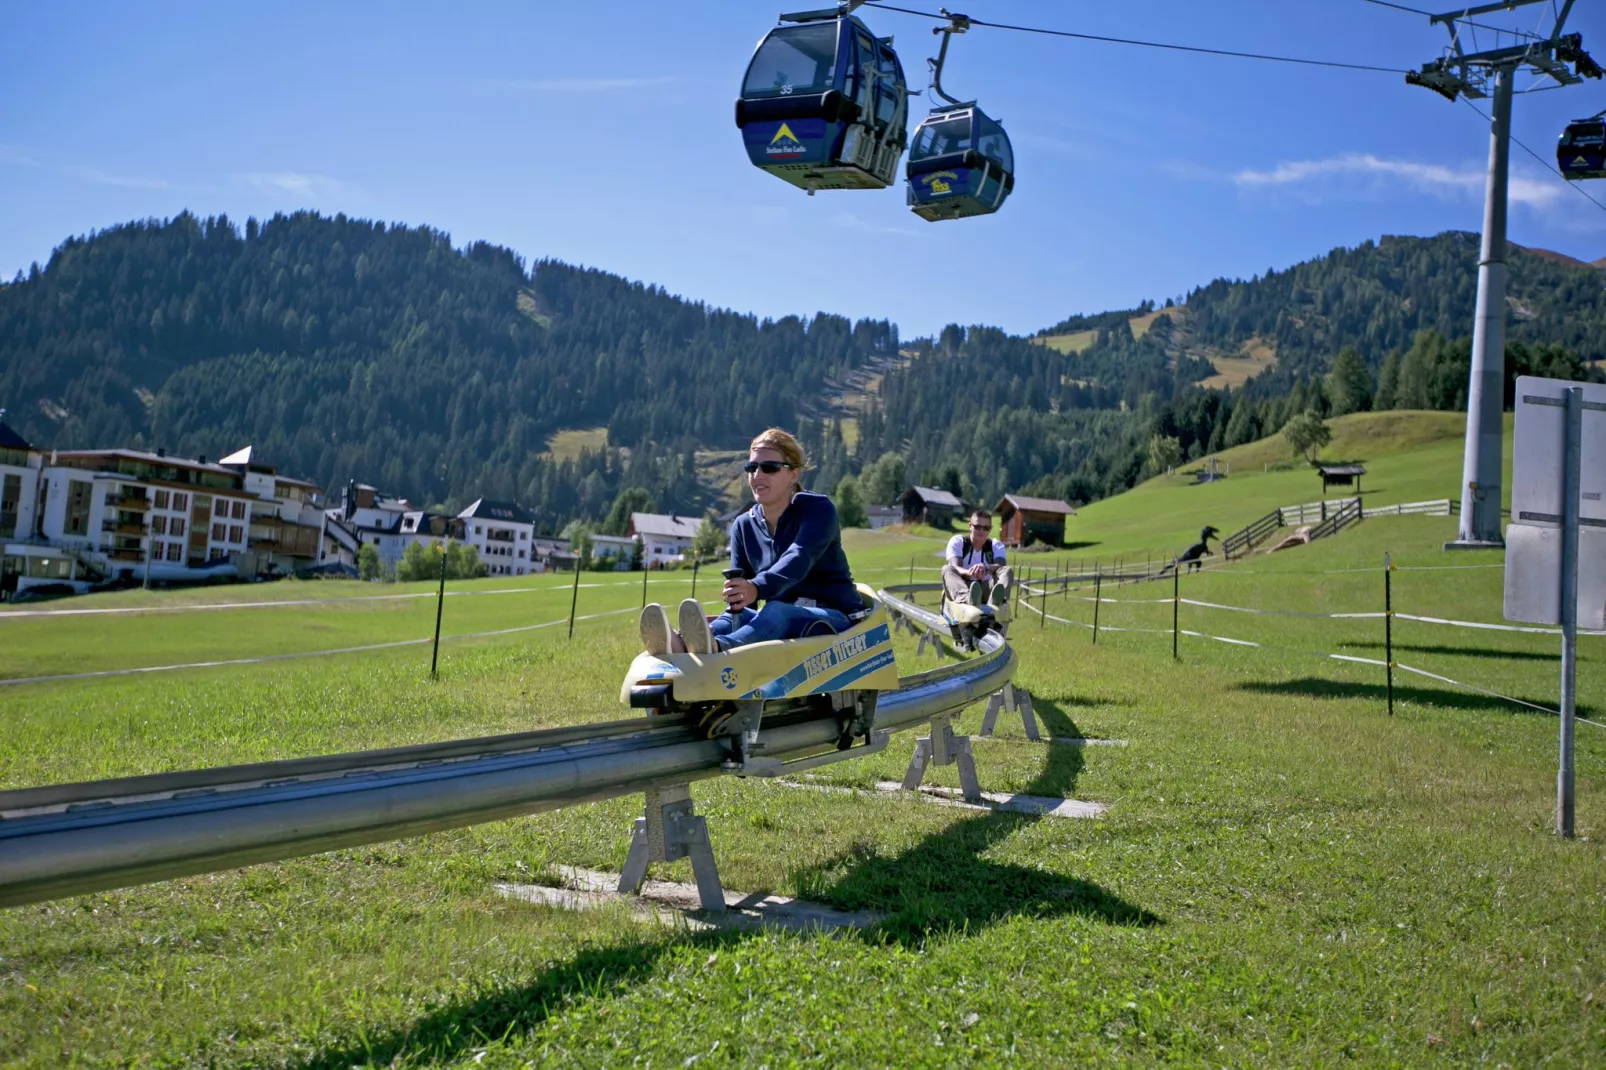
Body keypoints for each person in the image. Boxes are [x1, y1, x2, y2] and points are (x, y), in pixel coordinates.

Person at [639, 428, 863, 655]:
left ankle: (718, 649)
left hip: (834, 618)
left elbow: (799, 557)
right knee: (737, 616)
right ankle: (681, 644)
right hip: (783, 619)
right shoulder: (744, 525)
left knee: (776, 610)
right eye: (751, 467)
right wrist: (737, 597)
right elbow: (746, 604)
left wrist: (756, 587)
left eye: (769, 467)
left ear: (793, 474)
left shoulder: (818, 510)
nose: (757, 475)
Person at [943, 509, 1012, 610]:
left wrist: (985, 567)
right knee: (947, 569)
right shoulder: (958, 542)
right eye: (977, 527)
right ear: (970, 525)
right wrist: (970, 572)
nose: (981, 531)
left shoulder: (995, 545)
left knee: (1006, 570)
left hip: (986, 587)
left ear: (990, 529)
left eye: (986, 528)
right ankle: (968, 600)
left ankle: (998, 601)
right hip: (962, 586)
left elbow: (1001, 565)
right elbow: (955, 566)